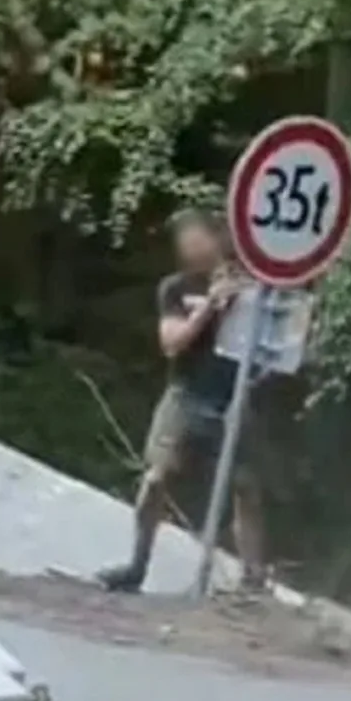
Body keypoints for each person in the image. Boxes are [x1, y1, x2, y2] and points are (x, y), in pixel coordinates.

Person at [95, 209, 267, 594]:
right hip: (187, 392)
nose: (191, 247)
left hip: (233, 395)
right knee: (156, 478)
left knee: (245, 486)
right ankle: (136, 565)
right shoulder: (176, 288)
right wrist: (209, 306)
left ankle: (254, 579)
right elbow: (171, 343)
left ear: (216, 237)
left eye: (197, 237)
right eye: (184, 241)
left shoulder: (251, 286)